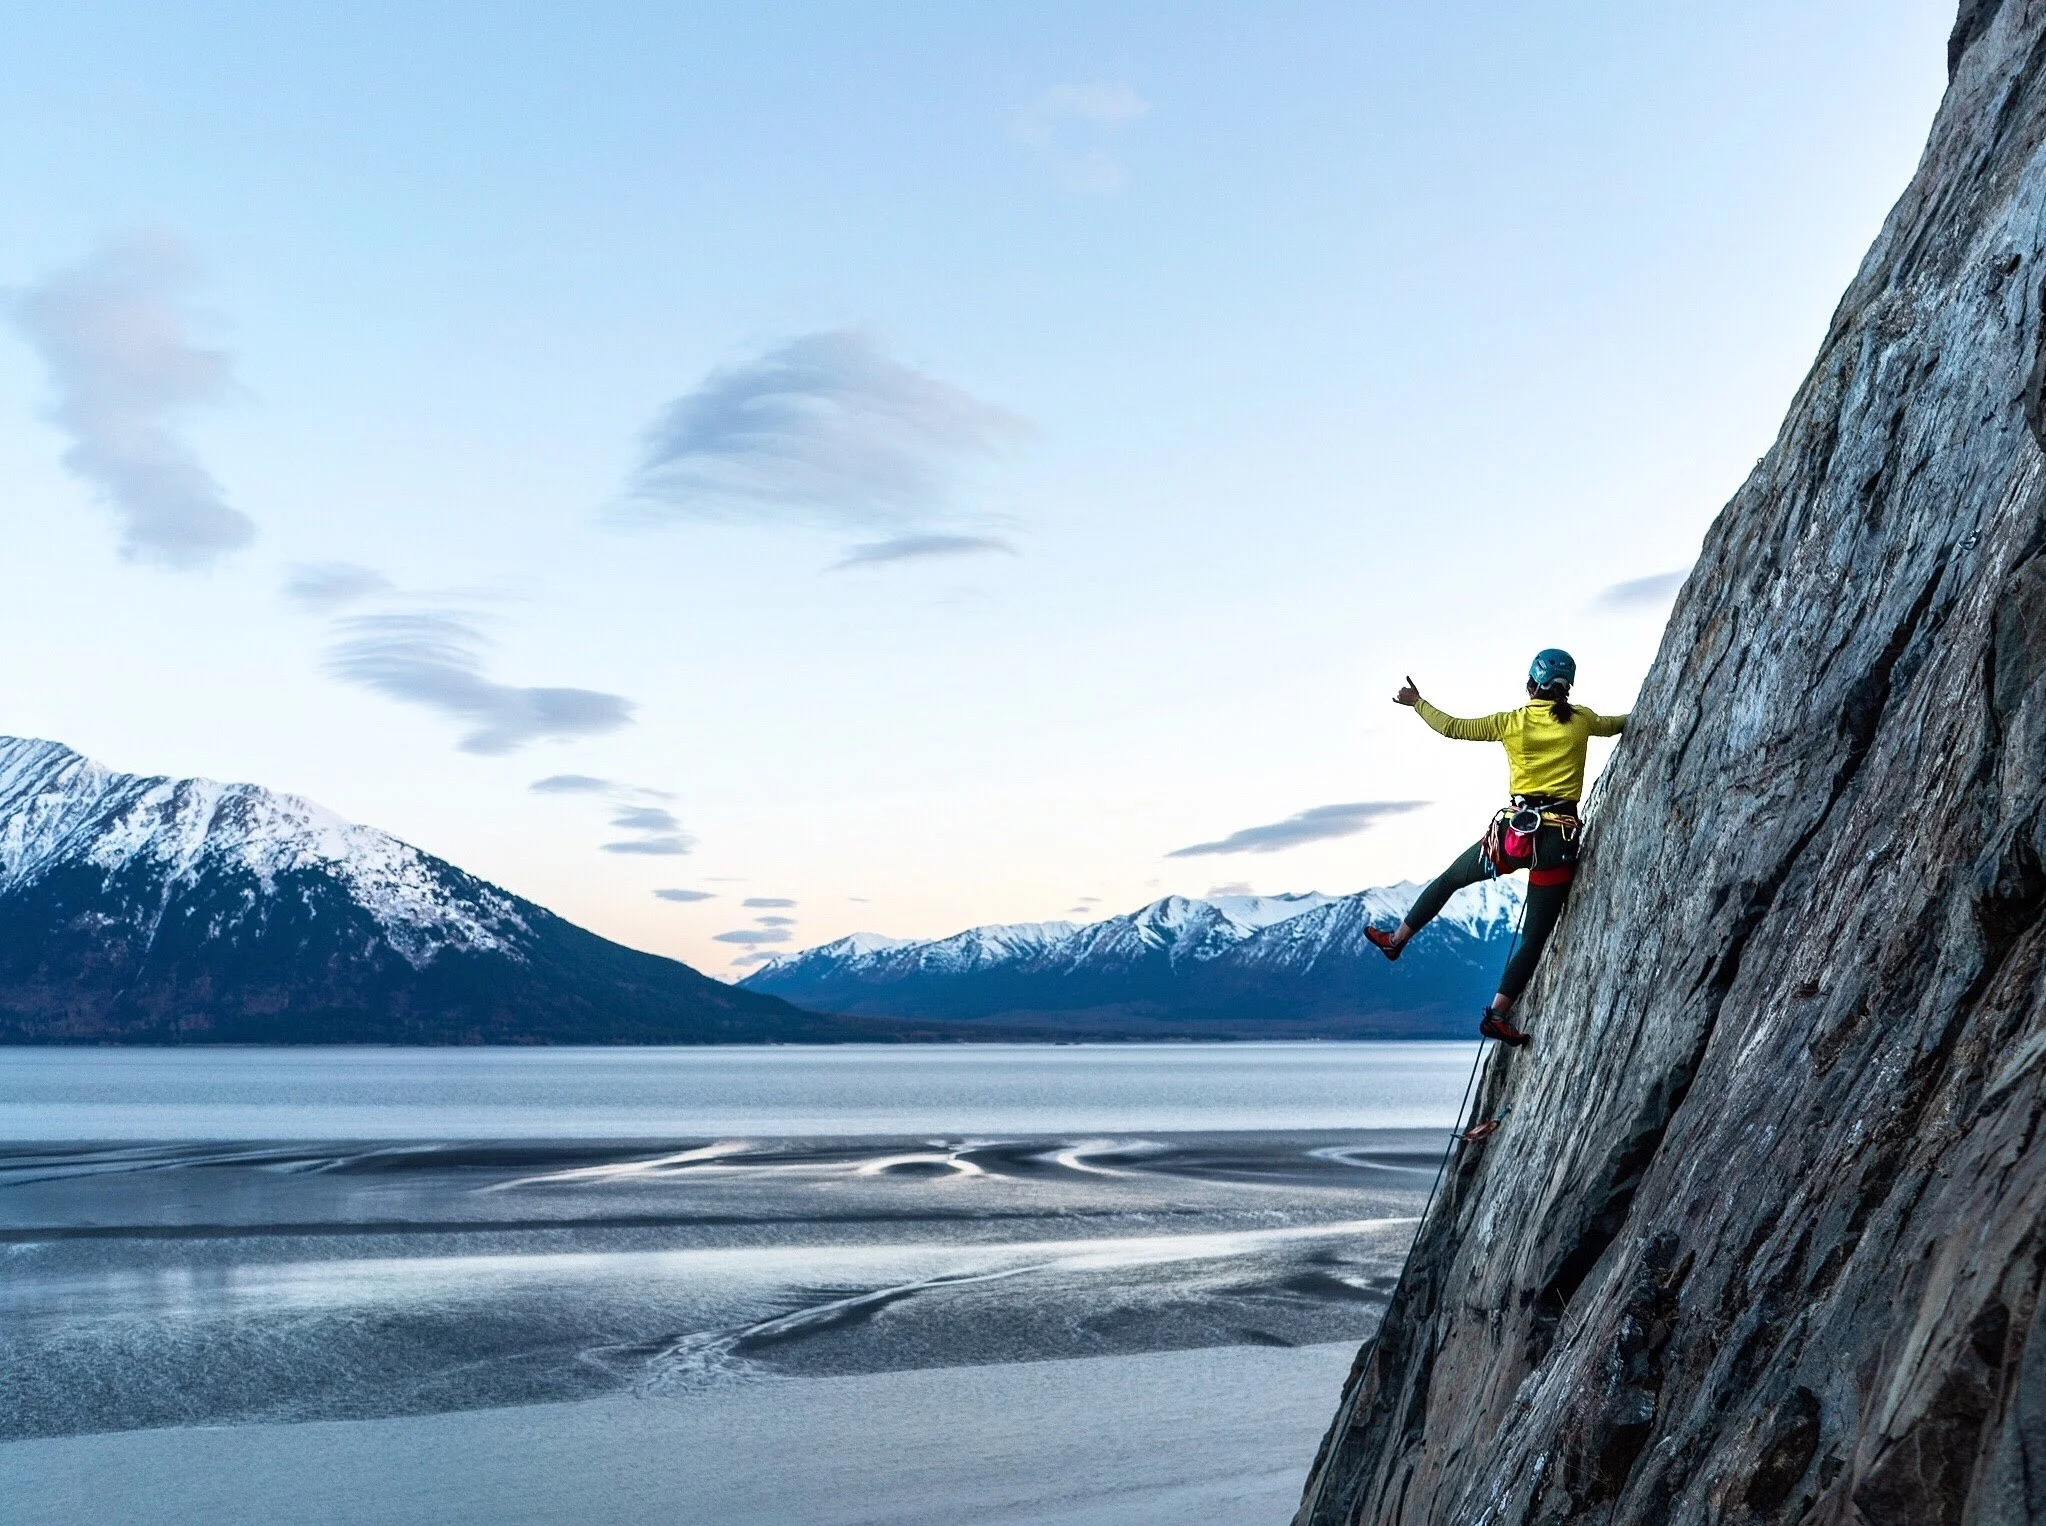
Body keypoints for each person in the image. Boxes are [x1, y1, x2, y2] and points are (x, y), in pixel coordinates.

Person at [1363, 648, 1626, 1047]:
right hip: (1558, 842)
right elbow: (1619, 724)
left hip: (1513, 839)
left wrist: (1417, 704)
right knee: (1534, 938)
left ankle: (1396, 940)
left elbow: (1452, 727)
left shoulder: (1512, 723)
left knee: (1450, 879)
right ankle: (1498, 1013)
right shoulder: (1581, 720)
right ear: (1566, 687)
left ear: (1531, 683)